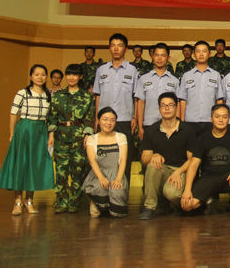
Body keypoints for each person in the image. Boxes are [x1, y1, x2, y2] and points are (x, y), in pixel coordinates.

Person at [0, 64, 54, 215]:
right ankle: (17, 200)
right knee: (21, 164)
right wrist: (12, 133)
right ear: (31, 76)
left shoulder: (49, 94)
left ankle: (29, 200)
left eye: (43, 74)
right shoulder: (23, 93)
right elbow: (13, 113)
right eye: (36, 74)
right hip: (24, 130)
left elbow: (51, 118)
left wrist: (50, 135)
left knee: (34, 165)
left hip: (40, 131)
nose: (40, 77)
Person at [181, 105, 230, 220]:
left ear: (228, 119)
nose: (221, 120)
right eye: (217, 116)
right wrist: (187, 190)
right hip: (209, 178)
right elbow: (193, 164)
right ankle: (208, 201)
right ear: (211, 119)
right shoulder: (203, 138)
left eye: (224, 117)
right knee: (187, 206)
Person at [47, 64, 95, 213]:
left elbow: (89, 117)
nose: (71, 78)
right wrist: (51, 134)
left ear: (80, 77)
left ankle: (74, 201)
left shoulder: (87, 96)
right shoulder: (58, 95)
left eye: (75, 75)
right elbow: (52, 116)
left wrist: (87, 135)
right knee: (61, 171)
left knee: (77, 171)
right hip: (61, 136)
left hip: (79, 137)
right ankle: (61, 201)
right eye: (69, 75)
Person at [139, 93, 195, 220]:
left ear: (176, 107)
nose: (167, 108)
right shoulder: (151, 130)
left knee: (172, 194)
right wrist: (153, 155)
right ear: (159, 109)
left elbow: (192, 160)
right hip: (162, 170)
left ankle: (173, 204)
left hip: (181, 170)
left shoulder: (188, 130)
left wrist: (178, 172)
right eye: (163, 106)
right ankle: (149, 207)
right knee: (152, 165)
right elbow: (144, 159)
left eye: (170, 105)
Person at [93, 33, 139, 184]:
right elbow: (97, 96)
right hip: (104, 120)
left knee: (125, 158)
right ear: (109, 48)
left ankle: (122, 192)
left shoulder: (132, 70)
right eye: (113, 45)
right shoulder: (101, 70)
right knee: (103, 157)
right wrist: (96, 119)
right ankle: (102, 192)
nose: (116, 48)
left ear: (125, 48)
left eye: (119, 45)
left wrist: (135, 117)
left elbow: (136, 97)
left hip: (124, 120)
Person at [83, 107, 128, 218]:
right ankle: (95, 203)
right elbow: (92, 160)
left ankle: (111, 205)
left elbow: (123, 160)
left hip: (116, 173)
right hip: (98, 174)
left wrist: (118, 179)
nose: (108, 123)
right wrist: (101, 178)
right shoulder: (92, 139)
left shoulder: (121, 137)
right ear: (98, 121)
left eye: (112, 120)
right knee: (99, 189)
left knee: (117, 197)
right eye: (105, 119)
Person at [178, 40, 225, 138]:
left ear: (209, 54)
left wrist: (218, 119)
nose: (201, 54)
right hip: (190, 121)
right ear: (194, 54)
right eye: (198, 51)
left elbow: (219, 100)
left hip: (210, 121)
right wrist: (182, 122)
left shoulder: (216, 75)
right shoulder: (186, 76)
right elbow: (183, 101)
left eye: (204, 51)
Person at [135, 42, 180, 140]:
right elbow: (141, 103)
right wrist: (140, 126)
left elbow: (177, 105)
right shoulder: (143, 79)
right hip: (149, 124)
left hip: (170, 126)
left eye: (163, 55)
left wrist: (178, 126)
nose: (159, 58)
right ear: (152, 56)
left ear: (168, 58)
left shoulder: (175, 80)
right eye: (157, 55)